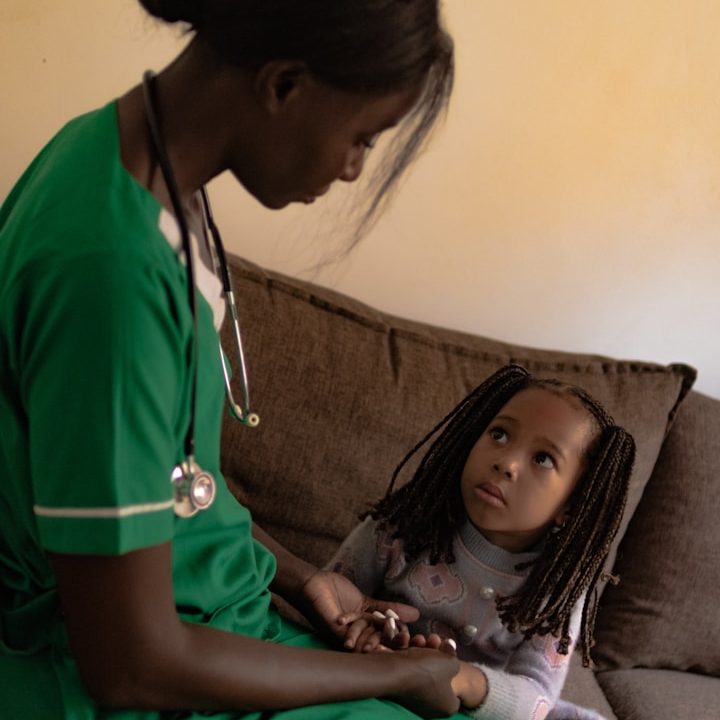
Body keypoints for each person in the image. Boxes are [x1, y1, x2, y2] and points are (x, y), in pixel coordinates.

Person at [0, 2, 459, 718]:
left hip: (220, 620)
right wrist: (394, 679)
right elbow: (128, 665)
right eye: (362, 138)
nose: (352, 170)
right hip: (141, 674)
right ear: (284, 85)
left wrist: (302, 578)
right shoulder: (111, 276)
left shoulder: (122, 157)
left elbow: (175, 479)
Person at [327, 364, 635, 719]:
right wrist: (359, 626)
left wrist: (458, 679)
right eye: (499, 435)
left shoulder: (558, 587)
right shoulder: (405, 522)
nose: (506, 462)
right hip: (376, 669)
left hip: (482, 706)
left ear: (571, 506)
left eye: (542, 458)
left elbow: (537, 697)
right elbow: (328, 593)